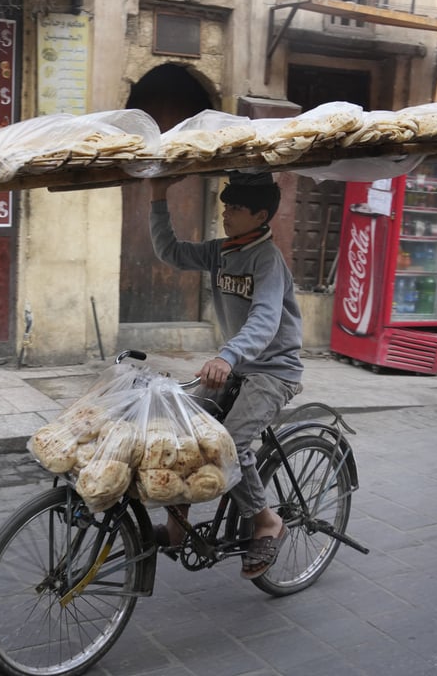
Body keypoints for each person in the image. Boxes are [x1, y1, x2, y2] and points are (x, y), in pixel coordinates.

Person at [145, 171, 304, 580]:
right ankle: (178, 524)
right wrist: (159, 196)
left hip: (273, 371)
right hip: (237, 365)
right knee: (181, 431)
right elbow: (171, 252)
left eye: (235, 208)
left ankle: (265, 520)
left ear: (260, 214)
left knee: (229, 445)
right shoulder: (223, 251)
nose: (226, 213)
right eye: (225, 205)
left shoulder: (267, 259)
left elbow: (265, 317)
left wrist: (229, 356)